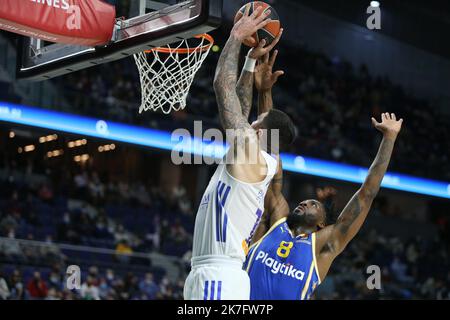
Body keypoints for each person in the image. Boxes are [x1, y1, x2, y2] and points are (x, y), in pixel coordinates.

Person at [245, 81, 403, 300]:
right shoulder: (277, 219)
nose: (304, 203)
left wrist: (389, 139)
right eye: (305, 201)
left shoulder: (323, 246)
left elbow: (366, 194)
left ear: (322, 223)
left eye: (313, 204)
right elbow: (270, 153)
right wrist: (264, 91)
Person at [184, 6, 296, 300]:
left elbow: (223, 88)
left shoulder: (253, 156)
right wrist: (249, 63)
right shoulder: (261, 161)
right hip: (219, 274)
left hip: (219, 276)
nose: (248, 123)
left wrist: (235, 36)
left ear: (259, 132)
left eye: (254, 124)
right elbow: (243, 107)